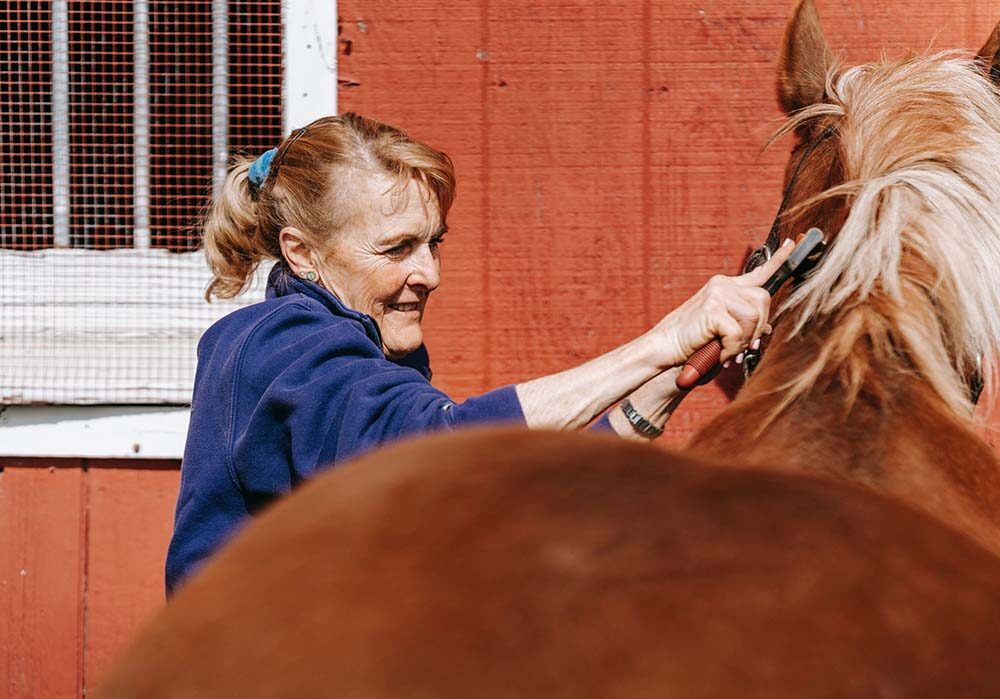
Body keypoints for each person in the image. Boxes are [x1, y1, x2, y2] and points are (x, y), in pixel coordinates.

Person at [165, 113, 793, 594]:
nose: (430, 273)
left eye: (433, 243)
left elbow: (495, 492)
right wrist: (665, 340)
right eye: (397, 248)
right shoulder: (282, 342)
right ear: (302, 253)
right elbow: (440, 452)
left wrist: (663, 383)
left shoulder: (362, 346)